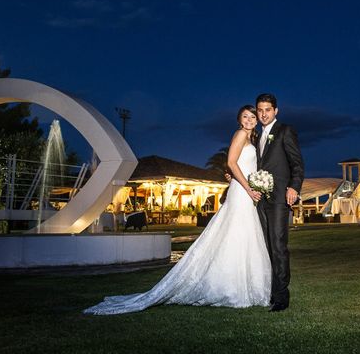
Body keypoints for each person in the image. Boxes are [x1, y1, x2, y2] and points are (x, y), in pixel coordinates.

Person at [84, 105, 271, 315]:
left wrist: (253, 184)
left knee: (243, 235)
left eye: (252, 117)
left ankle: (243, 284)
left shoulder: (251, 139)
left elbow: (239, 167)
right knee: (235, 233)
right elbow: (230, 162)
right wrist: (248, 188)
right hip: (241, 192)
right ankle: (231, 287)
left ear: (256, 120)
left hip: (246, 191)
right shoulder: (239, 134)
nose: (249, 120)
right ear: (239, 120)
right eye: (245, 117)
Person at [255, 93, 304, 312]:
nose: (263, 114)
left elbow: (297, 164)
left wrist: (294, 187)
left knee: (278, 245)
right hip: (259, 200)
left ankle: (282, 297)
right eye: (260, 110)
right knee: (264, 246)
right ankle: (269, 291)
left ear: (276, 111)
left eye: (267, 109)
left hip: (278, 199)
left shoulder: (285, 131)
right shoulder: (256, 137)